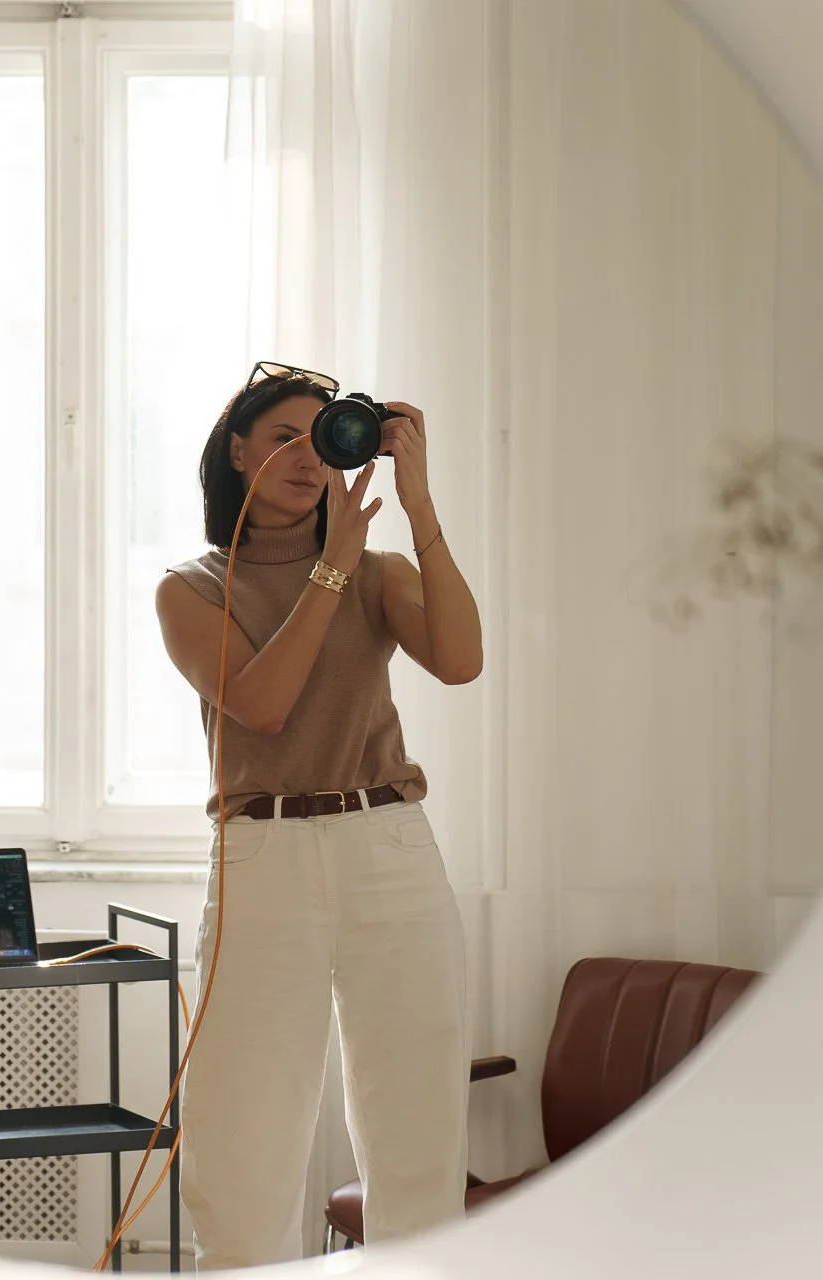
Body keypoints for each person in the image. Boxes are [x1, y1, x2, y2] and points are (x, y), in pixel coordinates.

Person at [155, 362, 483, 1268]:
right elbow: (261, 706)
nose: (305, 457)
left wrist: (418, 511)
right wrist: (331, 572)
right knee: (244, 1134)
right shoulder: (193, 586)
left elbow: (461, 661)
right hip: (265, 855)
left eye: (322, 437)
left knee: (416, 1121)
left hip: (390, 844)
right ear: (236, 452)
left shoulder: (379, 572)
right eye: (280, 438)